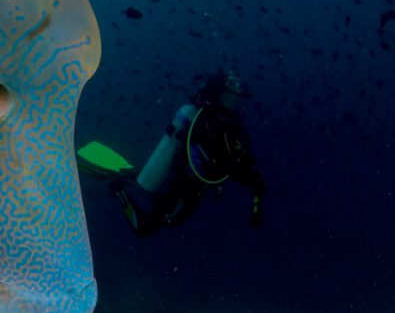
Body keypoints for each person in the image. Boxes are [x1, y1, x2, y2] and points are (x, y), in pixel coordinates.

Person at [78, 69, 265, 236]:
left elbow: (239, 158)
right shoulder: (207, 121)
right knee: (144, 227)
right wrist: (241, 172)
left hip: (196, 187)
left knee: (168, 218)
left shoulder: (231, 123)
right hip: (184, 183)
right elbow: (213, 158)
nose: (238, 100)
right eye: (234, 95)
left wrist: (250, 178)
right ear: (222, 94)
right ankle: (118, 186)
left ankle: (127, 178)